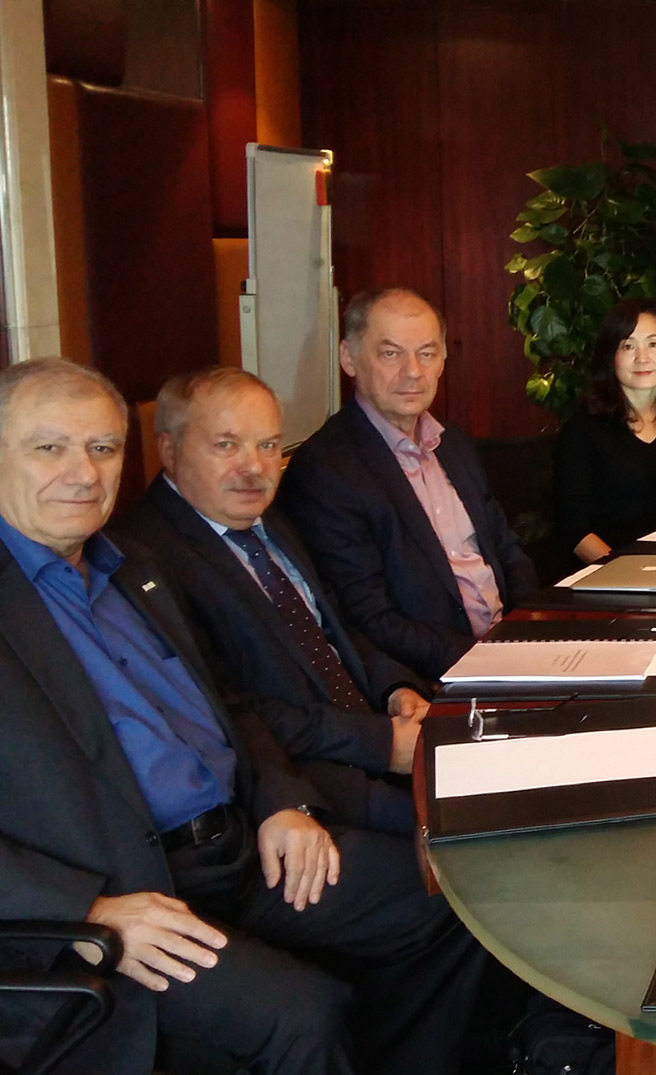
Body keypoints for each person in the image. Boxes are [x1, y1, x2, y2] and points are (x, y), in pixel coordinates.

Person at [0, 358, 485, 1075]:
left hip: (239, 846)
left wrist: (280, 801)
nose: (83, 473)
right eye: (49, 447)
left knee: (456, 906)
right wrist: (90, 910)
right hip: (124, 892)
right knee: (304, 1016)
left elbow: (223, 709)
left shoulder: (129, 566)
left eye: (102, 448)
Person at [113, 367, 430, 835]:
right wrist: (379, 743)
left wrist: (394, 689)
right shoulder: (143, 558)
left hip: (378, 738)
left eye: (267, 445)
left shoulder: (270, 521)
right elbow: (229, 710)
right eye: (227, 445)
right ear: (169, 450)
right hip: (303, 785)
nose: (254, 467)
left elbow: (332, 630)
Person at [278, 287, 538, 680]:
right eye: (390, 353)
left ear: (443, 360)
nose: (413, 371)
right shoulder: (326, 471)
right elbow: (368, 619)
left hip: (513, 652)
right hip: (433, 679)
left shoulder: (452, 444)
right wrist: (488, 662)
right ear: (348, 358)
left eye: (427, 353)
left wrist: (532, 628)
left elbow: (507, 549)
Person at [553, 297, 656, 562]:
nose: (642, 358)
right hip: (605, 572)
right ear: (610, 356)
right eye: (628, 346)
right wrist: (625, 570)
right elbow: (574, 529)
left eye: (653, 344)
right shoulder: (582, 429)